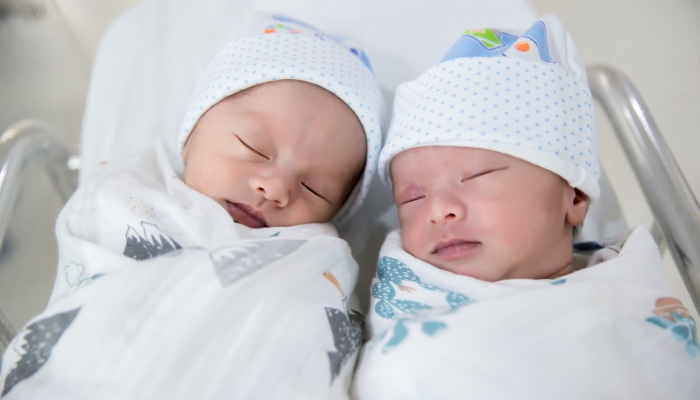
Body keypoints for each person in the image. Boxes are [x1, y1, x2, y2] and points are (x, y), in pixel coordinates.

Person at [0, 13, 382, 399]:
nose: (275, 187)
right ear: (191, 135)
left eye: (313, 189)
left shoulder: (317, 259)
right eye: (254, 148)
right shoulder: (127, 195)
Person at [352, 15, 700, 400]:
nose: (439, 210)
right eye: (412, 198)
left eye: (478, 176)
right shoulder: (404, 301)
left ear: (574, 198)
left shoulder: (624, 296)